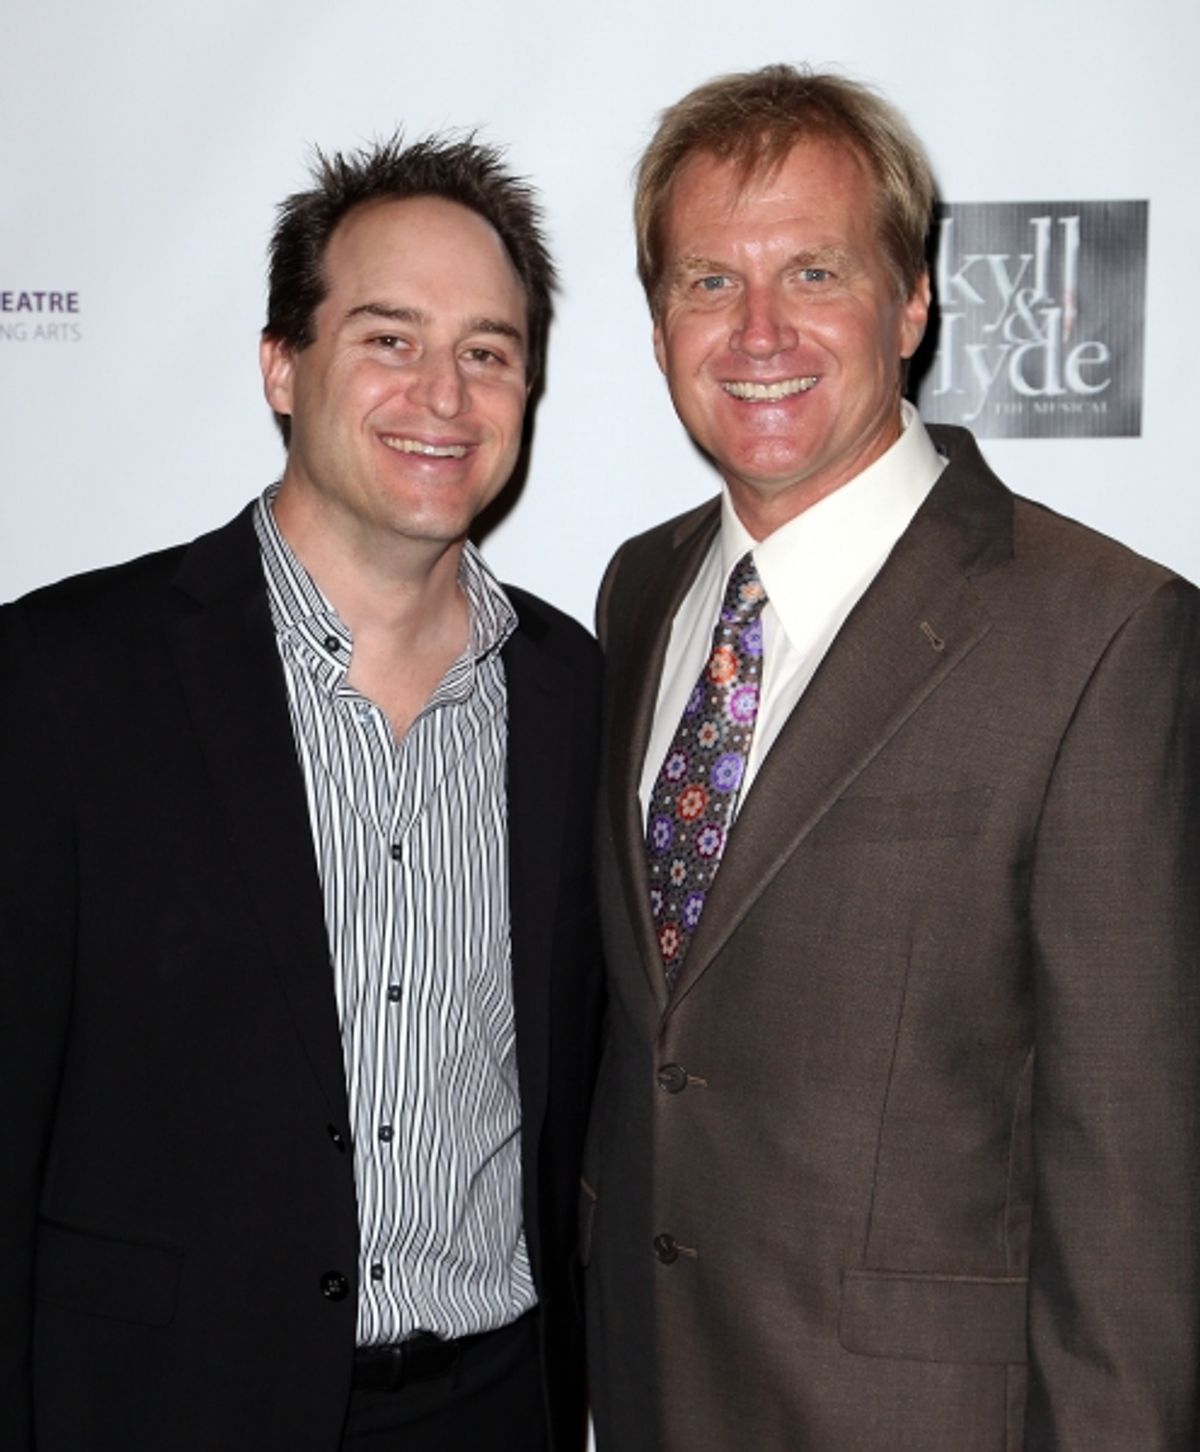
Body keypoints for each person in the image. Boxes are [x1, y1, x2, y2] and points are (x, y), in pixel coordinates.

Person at [582, 64, 1200, 1452]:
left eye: (813, 270)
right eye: (704, 282)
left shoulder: (1100, 633)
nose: (757, 332)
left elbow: (1138, 1195)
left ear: (912, 299)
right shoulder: (639, 594)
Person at [0, 134, 602, 1452]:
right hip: (164, 1411)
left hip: (494, 1411)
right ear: (283, 365)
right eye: (389, 338)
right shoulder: (61, 680)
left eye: (489, 351)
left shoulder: (577, 697)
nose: (444, 394)